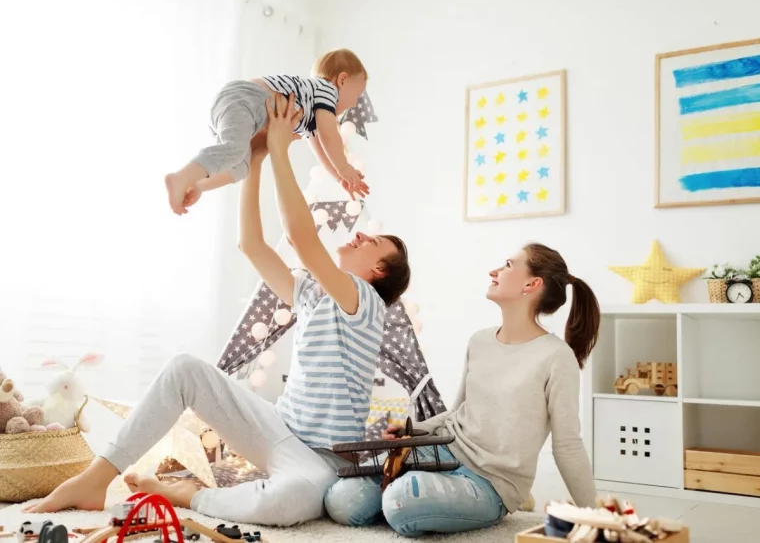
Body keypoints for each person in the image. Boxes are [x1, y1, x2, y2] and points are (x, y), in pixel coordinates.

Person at [24, 93, 411, 527]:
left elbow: (303, 238)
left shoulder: (367, 302)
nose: (359, 237)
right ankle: (96, 478)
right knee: (184, 369)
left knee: (283, 505)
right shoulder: (312, 292)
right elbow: (251, 245)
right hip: (277, 430)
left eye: (371, 243)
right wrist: (257, 159)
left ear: (378, 270)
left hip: (321, 461)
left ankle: (190, 495)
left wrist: (281, 147)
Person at [325, 243, 600, 537]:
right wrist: (413, 431)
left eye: (508, 264)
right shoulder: (479, 341)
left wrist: (595, 518)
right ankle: (424, 502)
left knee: (401, 499)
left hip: (489, 482)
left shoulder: (556, 357)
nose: (494, 271)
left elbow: (568, 445)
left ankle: (421, 501)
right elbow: (456, 414)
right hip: (442, 453)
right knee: (341, 501)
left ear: (532, 284)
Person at [164, 48, 370, 215]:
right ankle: (180, 176)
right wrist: (344, 168)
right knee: (233, 150)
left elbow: (320, 147)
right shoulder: (327, 90)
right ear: (342, 80)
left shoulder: (312, 112)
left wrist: (339, 177)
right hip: (247, 100)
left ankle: (198, 184)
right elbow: (329, 136)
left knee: (240, 166)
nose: (354, 104)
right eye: (357, 95)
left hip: (243, 114)